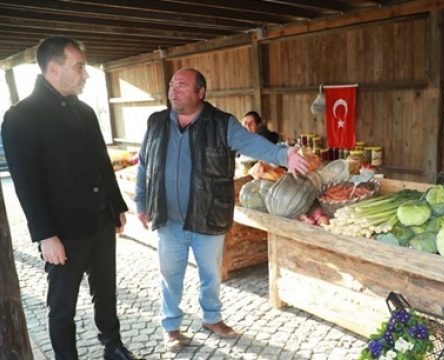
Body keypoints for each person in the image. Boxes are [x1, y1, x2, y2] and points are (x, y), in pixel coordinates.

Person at [133, 68, 308, 351]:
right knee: (169, 275)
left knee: (211, 274)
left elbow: (251, 143)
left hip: (207, 215)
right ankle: (171, 326)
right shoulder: (156, 122)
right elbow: (144, 164)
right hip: (168, 220)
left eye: (182, 85)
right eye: (172, 85)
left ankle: (212, 318)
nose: (174, 90)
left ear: (200, 92)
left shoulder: (221, 123)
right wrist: (141, 202)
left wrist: (282, 154)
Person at [1, 36, 144, 360]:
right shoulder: (21, 117)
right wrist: (45, 235)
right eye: (79, 66)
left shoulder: (84, 111)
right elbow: (26, 183)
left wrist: (116, 205)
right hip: (62, 232)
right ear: (54, 68)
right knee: (62, 306)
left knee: (105, 291)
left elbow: (101, 161)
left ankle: (113, 345)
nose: (85, 74)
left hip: (101, 220)